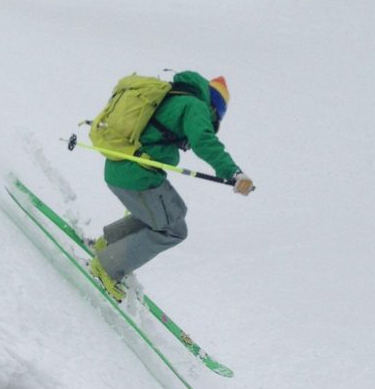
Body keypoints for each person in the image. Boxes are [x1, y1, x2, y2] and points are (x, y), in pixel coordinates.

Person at [89, 72, 254, 301]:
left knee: (173, 212)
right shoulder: (195, 106)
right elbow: (204, 142)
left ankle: (109, 245)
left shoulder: (174, 97)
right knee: (173, 229)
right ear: (215, 109)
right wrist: (233, 172)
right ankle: (108, 266)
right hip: (137, 175)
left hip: (123, 168)